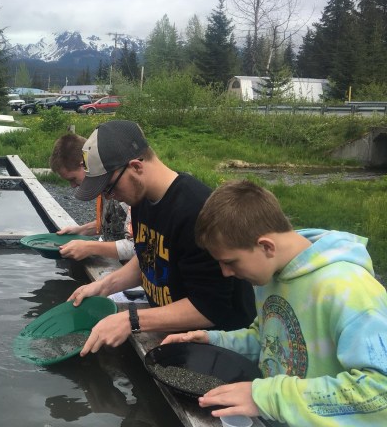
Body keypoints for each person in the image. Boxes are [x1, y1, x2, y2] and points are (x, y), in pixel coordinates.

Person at [161, 179, 387, 426]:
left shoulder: (349, 290)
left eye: (230, 262)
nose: (225, 273)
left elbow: (379, 392)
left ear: (266, 246)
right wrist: (213, 341)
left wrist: (266, 398)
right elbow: (270, 341)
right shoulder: (270, 274)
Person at [68, 120, 256, 356]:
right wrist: (104, 286)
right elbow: (148, 256)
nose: (110, 197)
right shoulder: (140, 200)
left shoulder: (196, 210)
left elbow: (210, 308)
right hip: (173, 335)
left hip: (217, 348)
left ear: (136, 166)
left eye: (109, 187)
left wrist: (131, 320)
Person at [49, 133, 134, 261]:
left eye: (73, 179)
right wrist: (82, 231)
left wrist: (91, 247)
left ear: (84, 164)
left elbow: (138, 248)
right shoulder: (102, 187)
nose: (72, 186)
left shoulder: (124, 191)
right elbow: (114, 223)